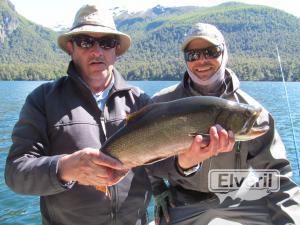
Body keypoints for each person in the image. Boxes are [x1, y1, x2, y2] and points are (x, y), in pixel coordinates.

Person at [4, 4, 235, 225]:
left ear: (116, 51)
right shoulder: (42, 100)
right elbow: (16, 173)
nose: (97, 51)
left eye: (106, 42)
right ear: (70, 48)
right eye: (86, 42)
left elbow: (158, 165)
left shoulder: (140, 101)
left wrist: (186, 163)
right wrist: (65, 167)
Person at [148, 23, 300, 225]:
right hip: (182, 202)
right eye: (192, 55)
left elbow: (276, 176)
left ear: (224, 52)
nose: (201, 60)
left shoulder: (252, 113)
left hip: (241, 199)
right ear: (185, 60)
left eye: (210, 52)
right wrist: (158, 189)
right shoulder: (162, 105)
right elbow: (144, 159)